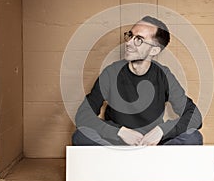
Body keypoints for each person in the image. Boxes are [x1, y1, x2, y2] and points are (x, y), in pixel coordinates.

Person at [72, 16, 203, 146]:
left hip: (152, 144)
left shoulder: (164, 75)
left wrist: (162, 130)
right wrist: (119, 132)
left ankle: (144, 161)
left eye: (139, 40)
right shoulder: (111, 73)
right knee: (82, 135)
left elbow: (194, 116)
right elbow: (83, 116)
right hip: (117, 143)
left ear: (154, 50)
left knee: (193, 137)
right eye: (130, 36)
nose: (128, 43)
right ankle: (127, 161)